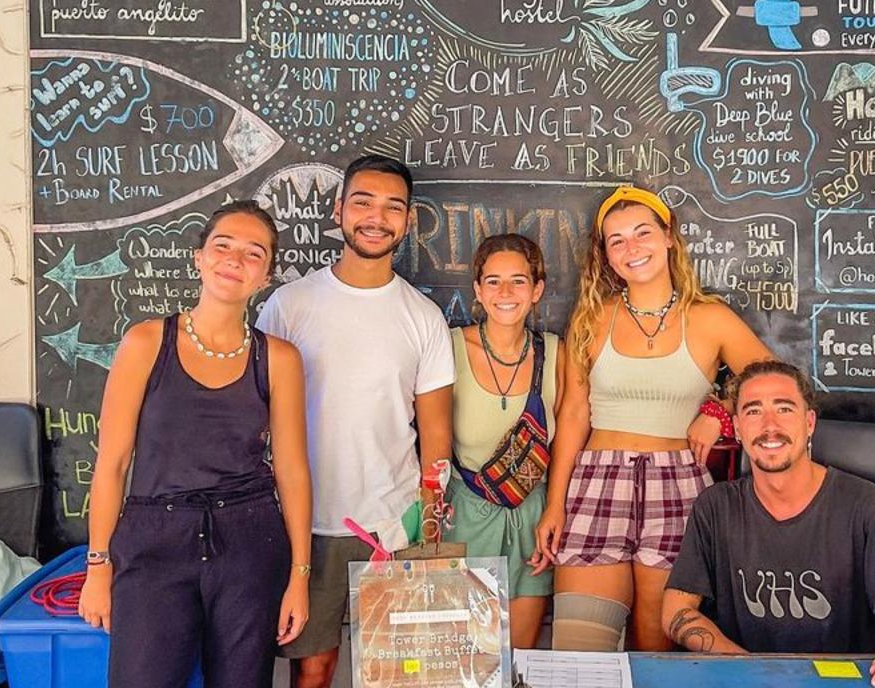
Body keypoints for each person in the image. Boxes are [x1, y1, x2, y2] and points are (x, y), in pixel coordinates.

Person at [79, 200, 313, 688]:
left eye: (253, 253)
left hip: (249, 542)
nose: (235, 260)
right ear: (199, 258)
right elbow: (113, 464)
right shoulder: (146, 343)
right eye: (222, 246)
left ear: (266, 277)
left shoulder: (279, 359)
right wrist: (98, 567)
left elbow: (292, 471)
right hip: (153, 542)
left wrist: (299, 575)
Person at [534, 185, 773, 651]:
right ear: (605, 255)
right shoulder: (591, 317)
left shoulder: (710, 317)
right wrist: (554, 503)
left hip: (678, 486)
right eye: (617, 240)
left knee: (657, 648)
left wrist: (718, 412)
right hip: (597, 482)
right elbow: (574, 415)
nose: (632, 247)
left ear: (668, 236)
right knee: (580, 650)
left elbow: (774, 382)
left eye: (643, 232)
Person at [256, 155, 454, 688]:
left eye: (393, 207)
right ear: (339, 210)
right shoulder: (289, 306)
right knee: (313, 669)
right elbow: (257, 416)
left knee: (400, 672)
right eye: (363, 202)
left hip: (393, 524)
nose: (376, 218)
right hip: (306, 524)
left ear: (408, 221)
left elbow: (436, 434)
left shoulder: (423, 317)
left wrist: (428, 524)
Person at [662, 359, 875, 688]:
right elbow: (676, 610)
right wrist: (747, 670)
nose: (769, 425)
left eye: (784, 409)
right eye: (753, 411)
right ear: (736, 428)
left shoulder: (871, 506)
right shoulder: (715, 507)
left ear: (809, 423)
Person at [443, 234, 566, 649]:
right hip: (465, 515)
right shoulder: (450, 346)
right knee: (468, 657)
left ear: (537, 289)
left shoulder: (556, 354)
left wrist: (554, 509)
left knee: (521, 657)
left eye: (519, 281)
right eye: (493, 281)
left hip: (533, 517)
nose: (506, 293)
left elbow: (568, 440)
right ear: (478, 290)